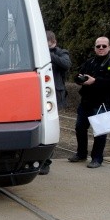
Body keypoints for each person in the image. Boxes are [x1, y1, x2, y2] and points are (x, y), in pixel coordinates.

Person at [68, 36, 110, 169]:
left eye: (103, 46)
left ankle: (97, 158)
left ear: (109, 47)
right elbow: (78, 75)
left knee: (100, 131)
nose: (100, 48)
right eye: (98, 46)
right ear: (94, 48)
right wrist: (80, 79)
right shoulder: (90, 62)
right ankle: (81, 153)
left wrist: (96, 81)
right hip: (86, 101)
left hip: (102, 103)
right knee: (79, 128)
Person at [39, 31, 71, 175]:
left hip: (53, 95)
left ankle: (46, 162)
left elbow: (66, 64)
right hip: (39, 93)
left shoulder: (61, 52)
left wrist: (48, 54)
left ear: (53, 41)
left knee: (50, 127)